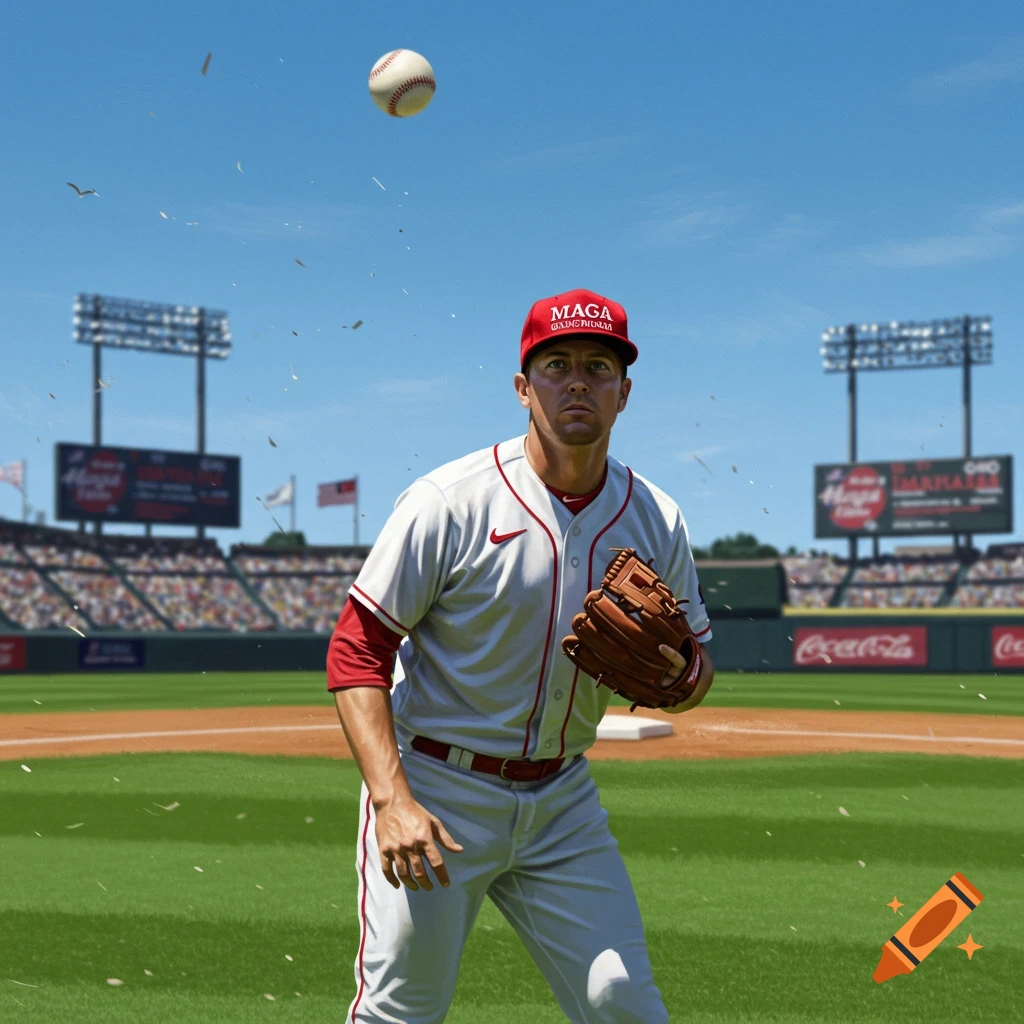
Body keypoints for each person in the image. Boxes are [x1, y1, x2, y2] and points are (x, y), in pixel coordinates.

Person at [328, 288, 714, 1023]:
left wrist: (683, 676)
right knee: (403, 1011)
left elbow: (697, 666)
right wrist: (392, 801)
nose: (577, 381)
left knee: (624, 1003)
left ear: (624, 393)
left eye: (598, 367)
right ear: (521, 387)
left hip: (563, 800)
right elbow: (357, 649)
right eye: (556, 364)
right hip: (439, 789)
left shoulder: (656, 514)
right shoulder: (450, 499)